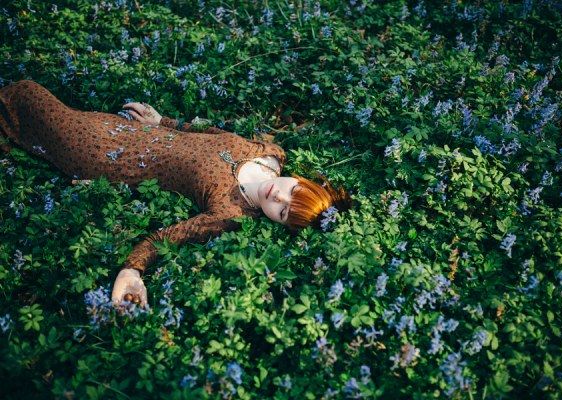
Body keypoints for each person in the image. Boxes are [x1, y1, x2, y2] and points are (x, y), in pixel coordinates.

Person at [0, 80, 352, 308]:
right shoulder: (272, 154)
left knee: (27, 94)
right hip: (124, 129)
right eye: (293, 191)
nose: (278, 197)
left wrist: (132, 271)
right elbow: (214, 134)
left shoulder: (230, 214)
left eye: (283, 212)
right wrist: (162, 122)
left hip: (105, 156)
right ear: (299, 179)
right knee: (28, 108)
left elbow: (165, 238)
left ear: (277, 222)